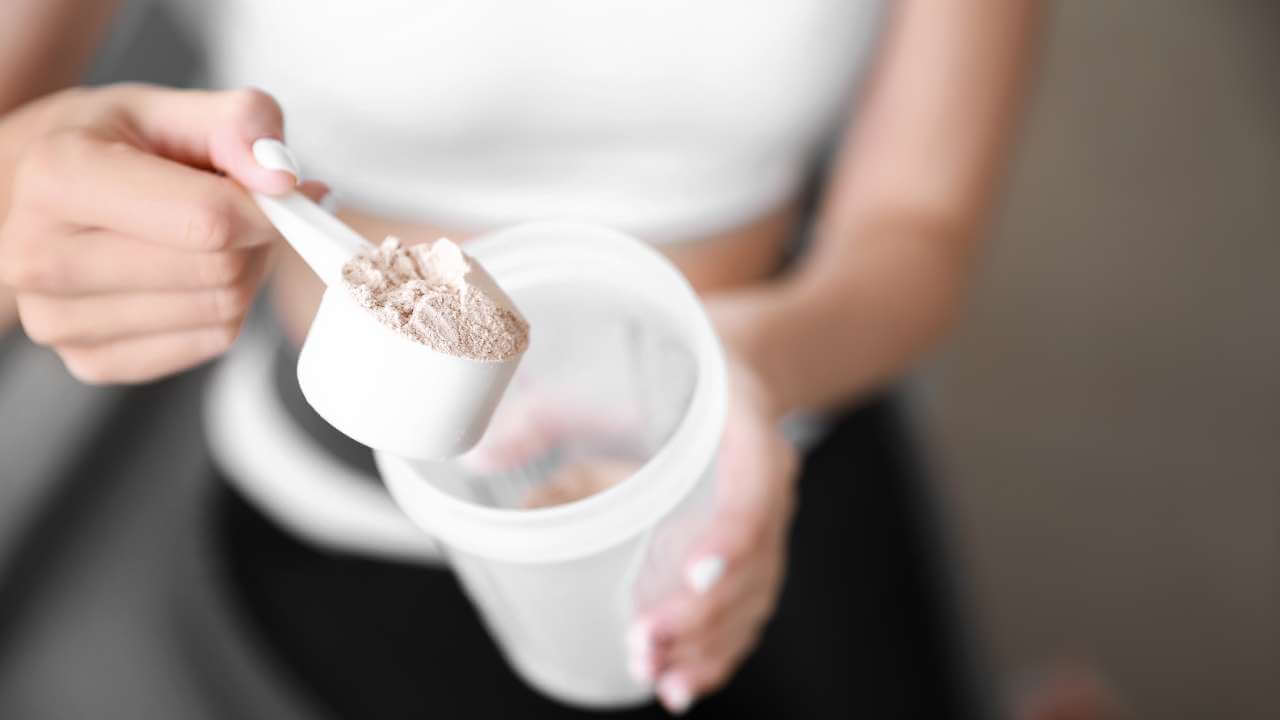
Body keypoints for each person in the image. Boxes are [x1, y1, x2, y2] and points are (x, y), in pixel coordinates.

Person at [0, 1, 1040, 716]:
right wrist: (23, 203)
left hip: (765, 448)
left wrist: (741, 372)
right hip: (351, 522)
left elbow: (915, 225)